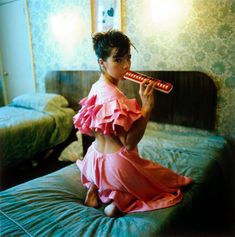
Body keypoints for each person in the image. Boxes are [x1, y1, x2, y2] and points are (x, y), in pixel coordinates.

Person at [73, 29, 192, 217]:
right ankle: (119, 201)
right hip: (116, 167)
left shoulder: (96, 88)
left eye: (128, 58)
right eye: (118, 60)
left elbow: (93, 129)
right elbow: (129, 143)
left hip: (93, 161)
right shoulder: (116, 97)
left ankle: (96, 188)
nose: (127, 65)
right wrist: (146, 108)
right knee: (168, 181)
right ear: (102, 63)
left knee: (145, 174)